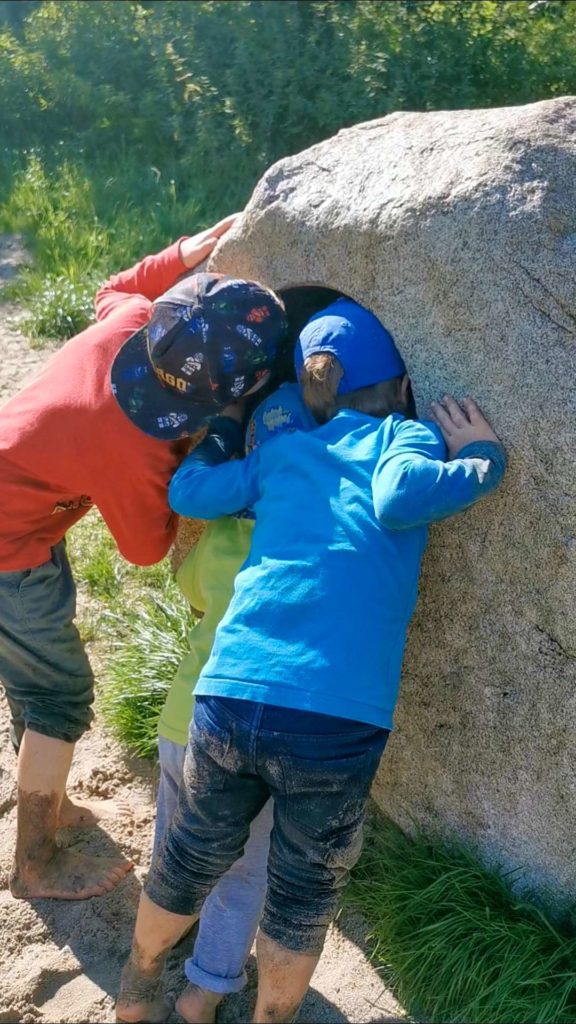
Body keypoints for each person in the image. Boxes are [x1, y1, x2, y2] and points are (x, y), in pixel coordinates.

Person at [116, 298, 507, 1024]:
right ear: (400, 388)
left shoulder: (289, 452)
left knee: (190, 854)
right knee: (301, 894)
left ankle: (138, 985)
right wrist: (483, 458)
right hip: (332, 717)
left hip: (230, 692)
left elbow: (190, 492)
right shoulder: (403, 435)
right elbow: (397, 497)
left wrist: (226, 429)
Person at [0, 214, 289, 901]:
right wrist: (196, 459)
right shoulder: (137, 446)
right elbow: (143, 548)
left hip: (19, 516)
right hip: (12, 551)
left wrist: (186, 251)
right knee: (57, 697)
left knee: (27, 672)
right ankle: (35, 861)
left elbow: (119, 284)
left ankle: (50, 799)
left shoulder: (131, 324)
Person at [154, 382, 316, 1023]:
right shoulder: (306, 549)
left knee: (176, 840)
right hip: (244, 734)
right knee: (244, 872)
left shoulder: (221, 533)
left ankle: (164, 932)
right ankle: (206, 989)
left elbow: (193, 591)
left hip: (179, 720)